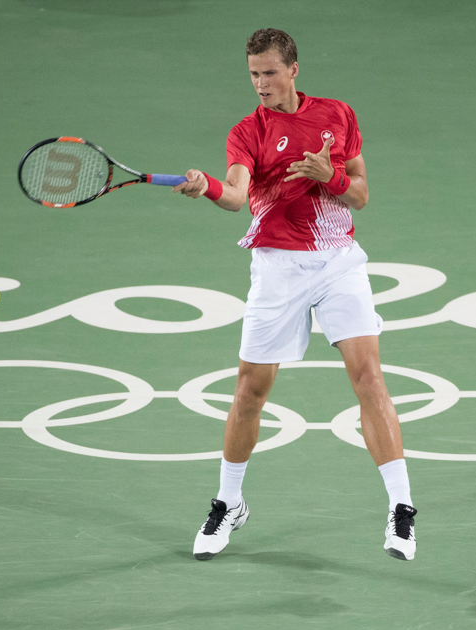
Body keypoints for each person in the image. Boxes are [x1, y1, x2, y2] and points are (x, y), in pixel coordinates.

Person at [174, 28, 416, 562]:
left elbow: (360, 194)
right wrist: (207, 186)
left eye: (270, 73)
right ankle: (228, 502)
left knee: (369, 378)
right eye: (253, 74)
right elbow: (237, 195)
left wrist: (330, 174)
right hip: (278, 267)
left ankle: (401, 509)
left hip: (336, 261)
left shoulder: (337, 116)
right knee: (249, 392)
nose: (261, 84)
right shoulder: (246, 132)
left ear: (294, 70)